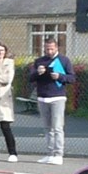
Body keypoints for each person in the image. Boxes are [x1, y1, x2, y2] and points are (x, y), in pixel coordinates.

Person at [24, 36, 72, 164]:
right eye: (46, 49)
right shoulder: (39, 61)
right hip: (43, 97)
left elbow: (72, 78)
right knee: (47, 127)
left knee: (57, 127)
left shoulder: (64, 60)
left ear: (56, 48)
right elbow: (30, 78)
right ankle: (50, 154)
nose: (49, 51)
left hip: (58, 97)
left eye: (51, 49)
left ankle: (58, 154)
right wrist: (37, 73)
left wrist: (60, 77)